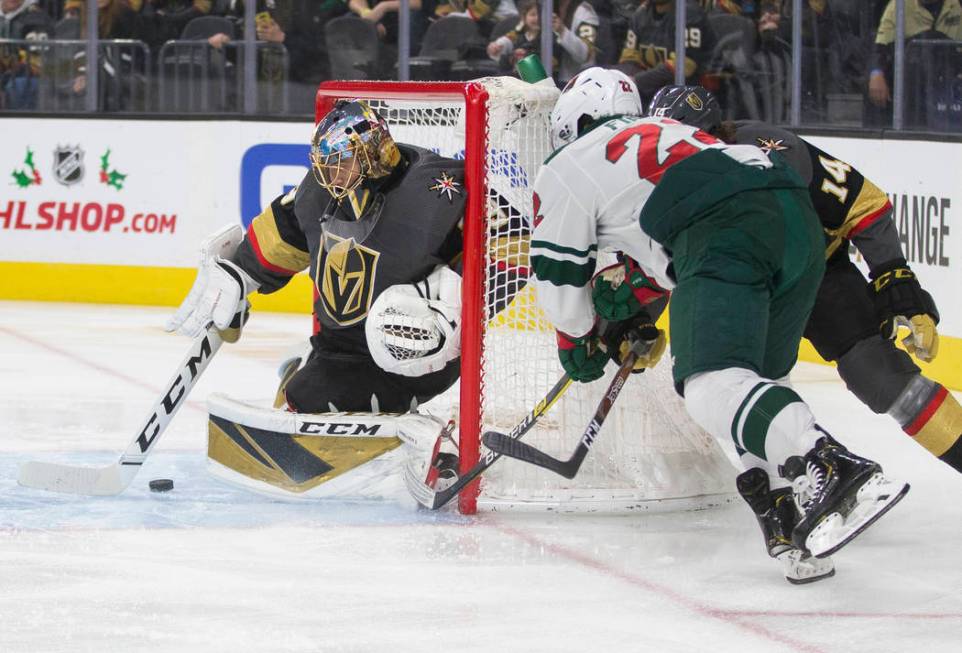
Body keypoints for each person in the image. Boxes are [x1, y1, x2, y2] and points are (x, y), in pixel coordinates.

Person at [531, 66, 909, 583]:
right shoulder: (669, 135)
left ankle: (830, 463)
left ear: (573, 122)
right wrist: (625, 320)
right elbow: (661, 251)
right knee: (751, 386)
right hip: (792, 217)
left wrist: (576, 338)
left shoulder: (566, 165)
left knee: (709, 383)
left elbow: (557, 279)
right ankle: (788, 516)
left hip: (725, 228)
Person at [166, 100, 467, 491]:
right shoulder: (322, 193)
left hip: (415, 352)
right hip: (338, 348)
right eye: (326, 162)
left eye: (342, 161)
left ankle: (422, 437)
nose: (331, 174)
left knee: (327, 388)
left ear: (375, 152)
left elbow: (507, 247)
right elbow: (284, 230)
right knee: (305, 393)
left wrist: (454, 299)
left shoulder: (435, 193)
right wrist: (241, 273)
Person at [614, 0, 716, 106]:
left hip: (692, 97)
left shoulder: (689, 14)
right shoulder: (639, 16)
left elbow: (685, 66)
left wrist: (638, 80)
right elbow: (629, 59)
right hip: (653, 93)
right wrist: (623, 78)